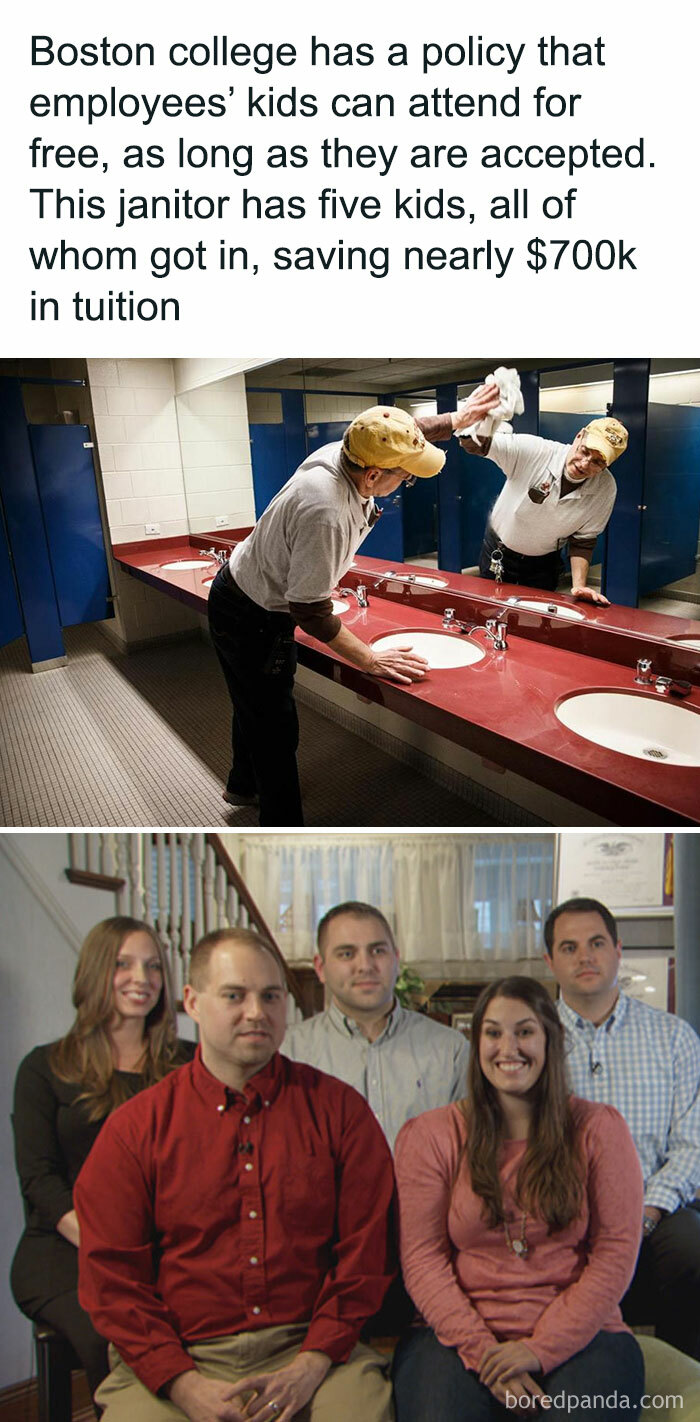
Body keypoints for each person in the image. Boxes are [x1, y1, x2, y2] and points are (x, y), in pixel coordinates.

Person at [74, 928, 397, 1422]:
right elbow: (113, 1280)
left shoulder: (341, 1113)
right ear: (192, 1002)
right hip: (178, 1353)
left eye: (271, 996)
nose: (256, 1012)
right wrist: (182, 1385)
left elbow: (365, 1254)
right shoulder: (135, 1129)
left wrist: (311, 1364)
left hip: (312, 1347)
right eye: (234, 995)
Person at [208, 386, 501, 826]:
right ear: (371, 477)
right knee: (275, 728)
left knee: (253, 702)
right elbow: (307, 608)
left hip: (242, 591)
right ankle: (281, 831)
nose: (409, 481)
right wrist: (370, 659)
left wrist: (459, 418)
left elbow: (408, 431)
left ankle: (243, 783)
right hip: (251, 615)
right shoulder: (326, 509)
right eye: (405, 475)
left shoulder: (348, 449)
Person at [392, 976, 645, 1422]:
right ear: (477, 1043)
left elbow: (616, 1253)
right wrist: (485, 1351)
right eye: (493, 1033)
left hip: (586, 1333)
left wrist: (539, 1349)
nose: (508, 1047)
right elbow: (422, 1259)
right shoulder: (430, 1136)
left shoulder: (599, 1128)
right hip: (454, 1336)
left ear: (550, 1039)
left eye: (524, 1031)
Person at [11, 916, 191, 1401]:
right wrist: (113, 1248)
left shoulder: (190, 1063)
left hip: (166, 1247)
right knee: (115, 1336)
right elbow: (40, 1181)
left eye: (154, 966)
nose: (143, 978)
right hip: (67, 1252)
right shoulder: (44, 1067)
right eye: (123, 964)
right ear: (95, 972)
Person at [544, 897, 700, 1360]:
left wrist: (647, 1211)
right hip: (556, 1212)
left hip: (652, 1214)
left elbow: (694, 1143)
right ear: (550, 961)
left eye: (596, 943)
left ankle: (681, 1379)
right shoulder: (531, 1037)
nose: (585, 956)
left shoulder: (673, 1037)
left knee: (694, 1247)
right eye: (568, 947)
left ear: (618, 949)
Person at [283, 901, 469, 1151]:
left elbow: (471, 1152)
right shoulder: (289, 1054)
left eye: (378, 951)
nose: (366, 966)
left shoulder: (451, 1051)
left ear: (396, 959)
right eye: (347, 954)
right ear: (320, 968)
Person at [458, 415, 629, 601]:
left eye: (597, 462)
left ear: (607, 465)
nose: (584, 463)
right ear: (579, 436)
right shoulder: (537, 452)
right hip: (499, 552)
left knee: (535, 622)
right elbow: (474, 444)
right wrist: (473, 423)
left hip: (544, 564)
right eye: (585, 451)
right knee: (490, 610)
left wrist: (579, 586)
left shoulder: (605, 488)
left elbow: (583, 540)